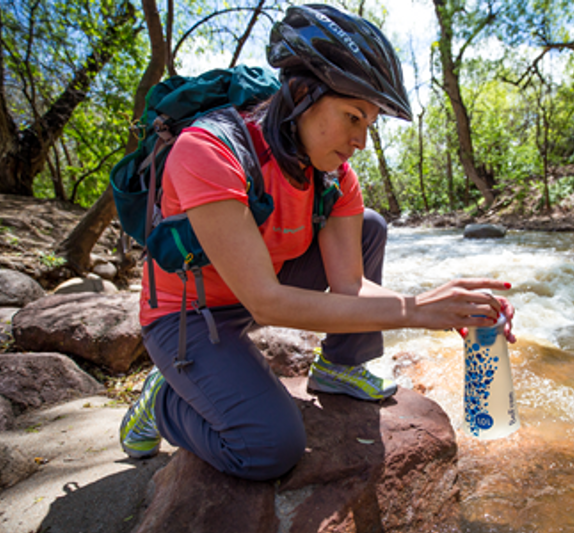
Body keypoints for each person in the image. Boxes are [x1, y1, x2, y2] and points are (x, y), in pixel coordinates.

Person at [119, 3, 515, 481]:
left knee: (367, 224)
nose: (361, 141)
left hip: (257, 284)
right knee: (268, 448)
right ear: (303, 94)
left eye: (368, 124)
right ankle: (162, 399)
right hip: (188, 315)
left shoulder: (334, 178)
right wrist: (413, 311)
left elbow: (351, 285)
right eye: (353, 117)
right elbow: (265, 302)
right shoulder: (208, 151)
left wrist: (450, 305)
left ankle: (341, 366)